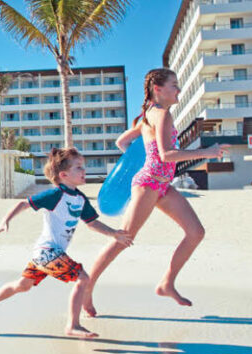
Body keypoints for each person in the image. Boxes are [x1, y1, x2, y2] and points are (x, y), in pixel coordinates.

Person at [81, 68, 228, 317]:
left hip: (162, 185)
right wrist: (207, 152)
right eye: (174, 85)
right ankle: (86, 288)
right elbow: (166, 155)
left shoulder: (148, 115)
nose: (178, 90)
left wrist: (137, 158)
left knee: (196, 232)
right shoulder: (160, 115)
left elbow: (122, 142)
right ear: (158, 89)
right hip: (149, 183)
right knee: (123, 238)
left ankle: (166, 284)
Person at [0, 148, 132, 338]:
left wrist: (114, 233)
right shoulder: (55, 195)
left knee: (23, 285)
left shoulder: (80, 199)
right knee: (83, 278)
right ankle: (72, 325)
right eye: (79, 167)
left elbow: (92, 223)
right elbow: (24, 204)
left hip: (45, 254)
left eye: (84, 167)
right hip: (47, 251)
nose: (84, 171)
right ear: (64, 175)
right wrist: (4, 221)